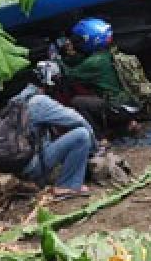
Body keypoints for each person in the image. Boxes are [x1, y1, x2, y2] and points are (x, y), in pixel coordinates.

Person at [10, 66, 98, 197]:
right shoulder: (39, 101)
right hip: (32, 166)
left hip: (18, 167)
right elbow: (77, 120)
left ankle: (41, 178)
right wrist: (94, 147)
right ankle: (68, 186)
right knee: (81, 135)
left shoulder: (16, 100)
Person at [55, 17, 142, 133]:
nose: (76, 43)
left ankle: (100, 138)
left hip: (118, 108)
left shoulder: (94, 62)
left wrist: (57, 59)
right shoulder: (108, 52)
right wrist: (71, 56)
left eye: (79, 40)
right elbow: (82, 61)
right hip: (131, 104)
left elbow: (69, 75)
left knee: (77, 101)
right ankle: (127, 124)